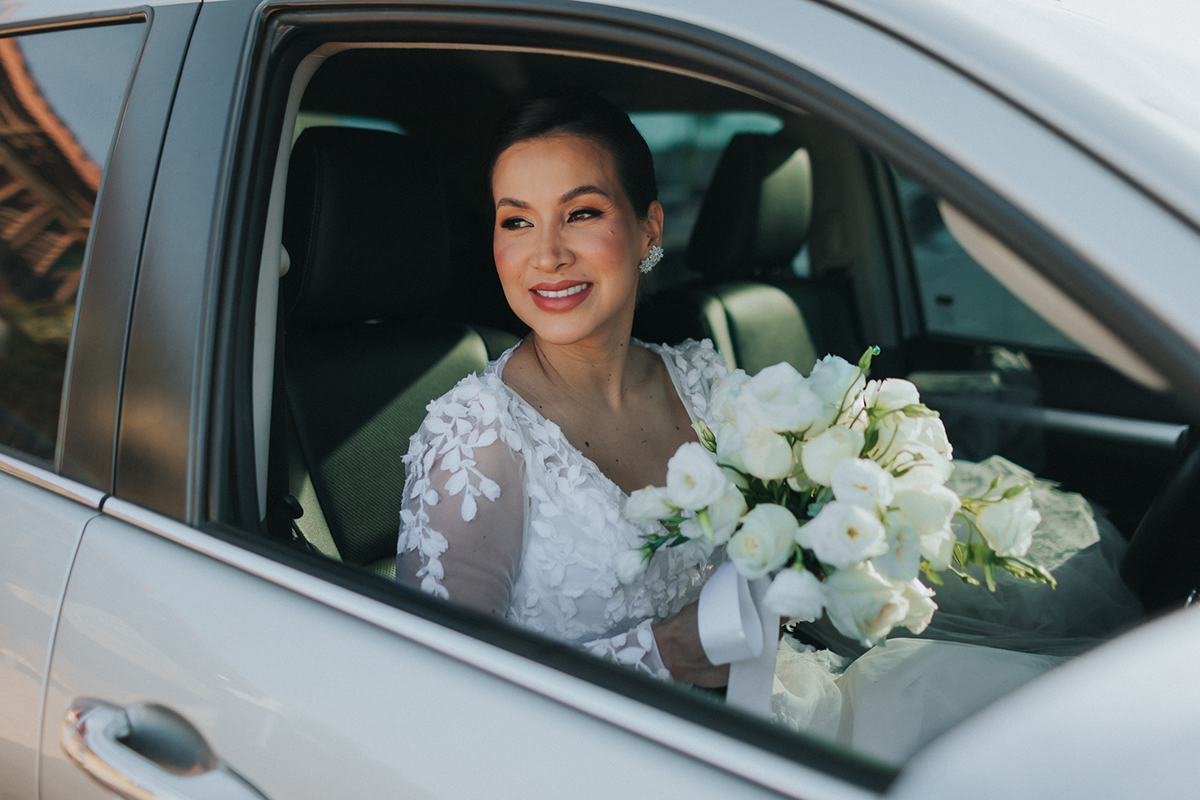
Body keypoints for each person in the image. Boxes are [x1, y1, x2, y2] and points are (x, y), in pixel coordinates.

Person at [396, 89, 1141, 763]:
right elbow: (437, 696)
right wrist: (665, 654)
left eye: (581, 213)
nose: (548, 254)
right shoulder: (474, 438)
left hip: (776, 710)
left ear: (649, 228)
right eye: (517, 221)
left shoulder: (704, 382)